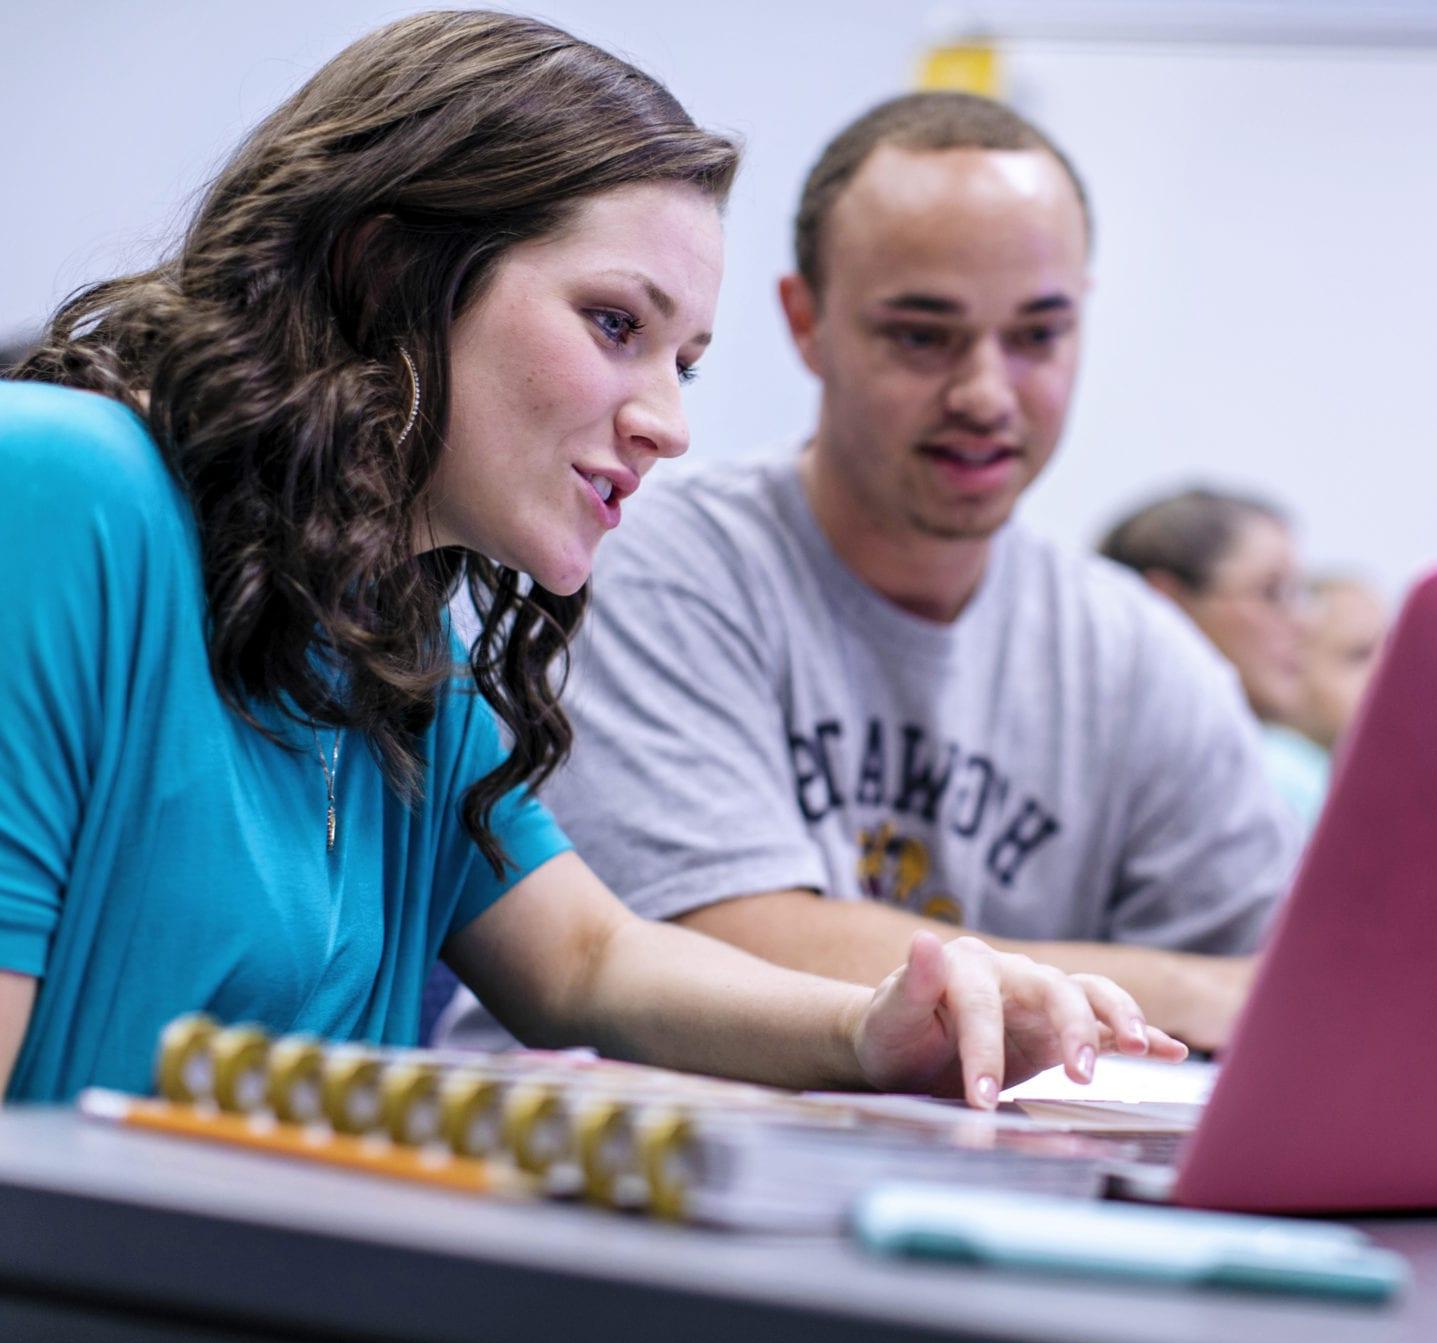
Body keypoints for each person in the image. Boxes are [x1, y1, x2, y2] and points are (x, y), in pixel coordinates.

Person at [0, 12, 1183, 1109]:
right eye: (616, 326)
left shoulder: (386, 627)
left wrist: (874, 1028)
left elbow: (588, 958)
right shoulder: (60, 488)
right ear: (383, 268)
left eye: (687, 361)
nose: (667, 422)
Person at [439, 93, 1293, 1056]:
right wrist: (1175, 989)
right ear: (807, 322)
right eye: (922, 337)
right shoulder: (637, 556)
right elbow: (722, 942)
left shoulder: (1143, 658)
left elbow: (1281, 992)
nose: (985, 392)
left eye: (1037, 335)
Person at [1097, 488, 1327, 827]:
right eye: (1272, 592)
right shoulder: (1100, 773)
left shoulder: (1293, 769)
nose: (1305, 623)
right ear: (1166, 606)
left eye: (1299, 594)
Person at [1296, 574, 1391, 754]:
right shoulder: (1273, 768)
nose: (1387, 672)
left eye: (1390, 649)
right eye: (1360, 654)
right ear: (1291, 669)